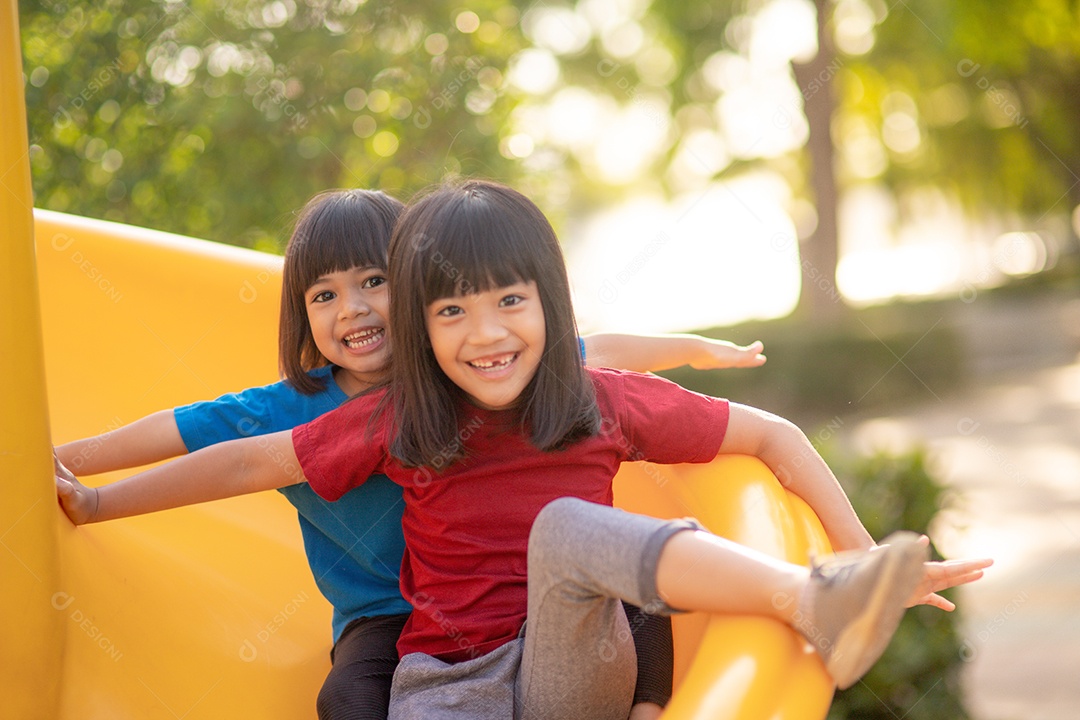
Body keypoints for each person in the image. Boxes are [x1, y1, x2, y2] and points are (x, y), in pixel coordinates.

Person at [56, 179, 990, 720]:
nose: (485, 333)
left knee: (576, 530)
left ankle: (813, 600)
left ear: (551, 304)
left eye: (509, 302)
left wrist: (858, 550)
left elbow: (774, 434)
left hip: (565, 672)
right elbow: (244, 458)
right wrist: (92, 495)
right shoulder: (399, 416)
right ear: (422, 329)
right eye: (451, 310)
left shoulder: (592, 398)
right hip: (446, 691)